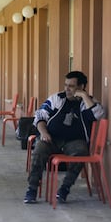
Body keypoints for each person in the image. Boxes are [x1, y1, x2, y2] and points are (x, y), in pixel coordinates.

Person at [23, 71, 104, 204]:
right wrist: (43, 133)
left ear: (81, 86)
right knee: (39, 150)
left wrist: (83, 95)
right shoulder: (57, 99)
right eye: (66, 85)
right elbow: (40, 116)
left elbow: (98, 114)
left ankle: (64, 189)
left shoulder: (87, 102)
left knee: (81, 152)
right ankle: (32, 189)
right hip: (52, 139)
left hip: (74, 142)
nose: (67, 89)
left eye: (71, 86)